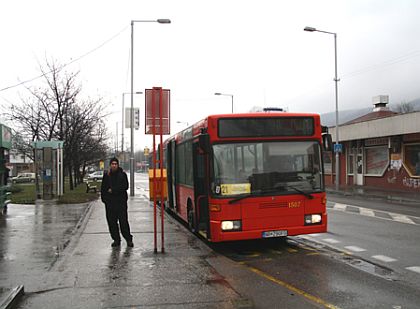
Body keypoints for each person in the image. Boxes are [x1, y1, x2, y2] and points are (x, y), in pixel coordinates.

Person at [101, 157, 133, 248]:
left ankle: (128, 239)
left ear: (118, 165)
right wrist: (104, 199)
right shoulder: (107, 175)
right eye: (112, 164)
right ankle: (116, 239)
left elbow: (125, 186)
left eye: (115, 164)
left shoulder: (122, 175)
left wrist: (113, 190)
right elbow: (103, 188)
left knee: (123, 222)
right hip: (110, 204)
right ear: (110, 165)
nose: (114, 165)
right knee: (112, 223)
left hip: (121, 203)